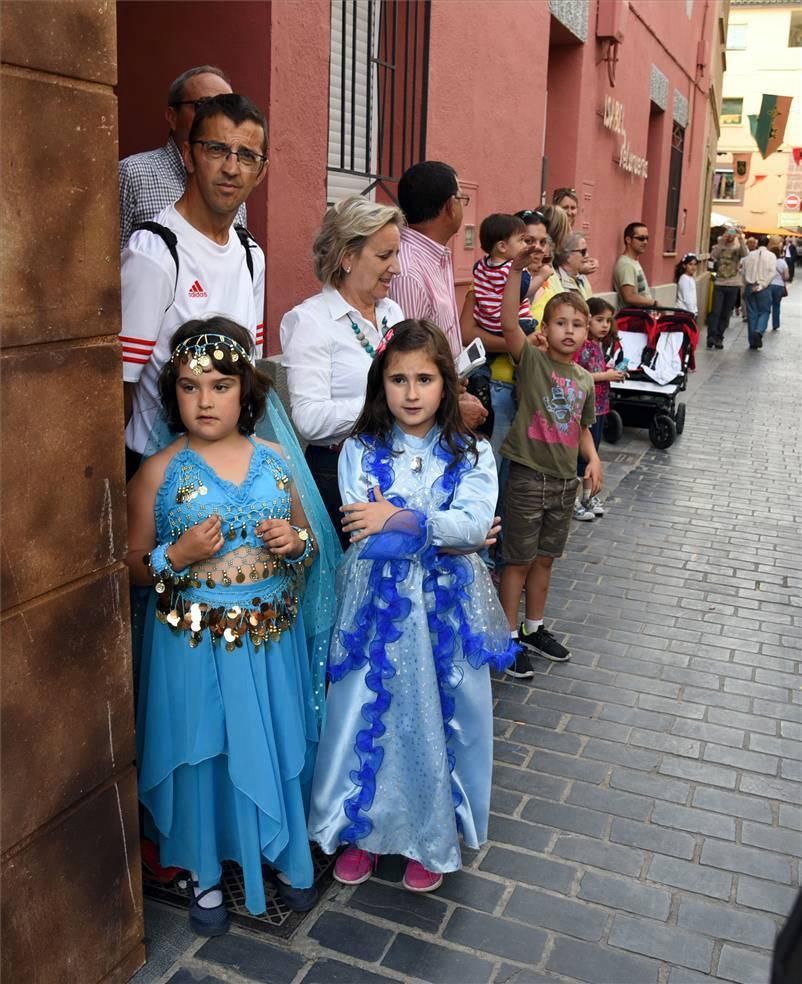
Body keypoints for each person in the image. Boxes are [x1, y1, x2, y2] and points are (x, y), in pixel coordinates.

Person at [126, 317, 338, 936]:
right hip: (193, 643)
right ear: (173, 396)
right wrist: (176, 555)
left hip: (270, 638)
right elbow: (131, 568)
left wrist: (291, 543)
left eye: (219, 385)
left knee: (270, 738)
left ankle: (281, 853)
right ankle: (206, 870)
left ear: (246, 390)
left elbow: (309, 546)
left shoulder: (274, 458)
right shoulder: (159, 470)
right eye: (190, 387)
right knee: (204, 749)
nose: (204, 400)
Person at [307, 319, 516, 893]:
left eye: (425, 378)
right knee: (370, 717)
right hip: (379, 607)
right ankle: (362, 832)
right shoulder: (359, 449)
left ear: (447, 383)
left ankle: (431, 835)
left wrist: (401, 520)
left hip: (445, 613)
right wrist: (445, 534)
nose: (412, 392)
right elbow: (362, 530)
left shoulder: (471, 451)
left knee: (440, 721)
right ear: (382, 384)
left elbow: (473, 523)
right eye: (398, 379)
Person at [121, 94, 268, 474]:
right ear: (188, 156)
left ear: (260, 172)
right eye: (217, 149)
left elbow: (246, 375)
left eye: (247, 156)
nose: (231, 168)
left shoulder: (252, 255)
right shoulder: (154, 253)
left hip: (232, 467)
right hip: (160, 471)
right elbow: (120, 385)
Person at [497, 252, 602, 677]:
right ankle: (504, 639)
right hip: (527, 478)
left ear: (587, 334)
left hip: (563, 485)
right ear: (544, 329)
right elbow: (507, 324)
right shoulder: (534, 362)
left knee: (544, 561)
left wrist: (593, 460)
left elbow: (581, 427)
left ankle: (532, 628)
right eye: (561, 323)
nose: (570, 331)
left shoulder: (582, 380)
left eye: (578, 325)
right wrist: (518, 272)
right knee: (516, 562)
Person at [280, 198, 406, 544]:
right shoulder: (309, 321)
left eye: (396, 255)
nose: (396, 268)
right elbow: (308, 419)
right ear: (346, 258)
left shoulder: (392, 313)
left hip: (394, 465)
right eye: (384, 256)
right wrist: (384, 405)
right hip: (337, 476)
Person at [390, 161, 486, 431]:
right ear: (449, 205)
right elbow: (408, 359)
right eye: (461, 198)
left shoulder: (436, 255)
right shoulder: (408, 270)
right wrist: (449, 407)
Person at [118, 66, 246, 249]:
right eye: (205, 106)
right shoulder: (133, 174)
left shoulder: (232, 183)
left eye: (227, 109)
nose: (218, 120)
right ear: (172, 117)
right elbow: (107, 262)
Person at [573, 298, 624, 522]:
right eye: (599, 320)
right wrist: (605, 376)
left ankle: (588, 496)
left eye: (608, 321)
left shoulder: (598, 344)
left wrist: (611, 371)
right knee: (580, 458)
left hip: (600, 408)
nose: (605, 325)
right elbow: (578, 375)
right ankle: (574, 500)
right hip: (585, 409)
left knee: (593, 453)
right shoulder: (582, 346)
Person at [706, 227, 746, 348]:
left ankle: (719, 337)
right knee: (715, 312)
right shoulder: (720, 245)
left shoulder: (738, 247)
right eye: (729, 234)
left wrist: (741, 238)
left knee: (725, 313)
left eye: (732, 234)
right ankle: (711, 337)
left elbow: (745, 253)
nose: (730, 236)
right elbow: (713, 256)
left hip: (733, 284)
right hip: (719, 283)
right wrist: (722, 242)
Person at [551, 187, 599, 276]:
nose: (569, 212)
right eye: (565, 208)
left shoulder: (574, 234)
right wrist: (580, 268)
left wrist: (591, 262)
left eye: (573, 208)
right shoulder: (553, 232)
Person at [742, 236, 778, 349]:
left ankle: (752, 341)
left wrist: (746, 285)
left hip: (750, 285)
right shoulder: (772, 256)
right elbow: (772, 273)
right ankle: (759, 330)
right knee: (764, 311)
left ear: (758, 243)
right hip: (763, 287)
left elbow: (743, 272)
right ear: (768, 244)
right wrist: (762, 285)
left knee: (752, 313)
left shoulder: (749, 255)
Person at [613, 222, 656, 309]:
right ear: (628, 240)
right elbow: (629, 297)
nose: (645, 242)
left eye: (647, 238)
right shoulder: (626, 264)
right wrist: (654, 303)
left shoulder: (633, 261)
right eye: (641, 238)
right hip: (634, 318)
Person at [553, 232, 593, 299]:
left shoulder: (581, 278)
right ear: (568, 255)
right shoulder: (557, 282)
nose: (587, 255)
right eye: (583, 252)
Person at [768, 236, 790, 331]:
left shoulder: (768, 261)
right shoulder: (783, 263)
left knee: (766, 306)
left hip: (768, 285)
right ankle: (775, 324)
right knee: (776, 306)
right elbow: (786, 277)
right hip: (779, 287)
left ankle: (763, 322)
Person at [674, 253, 699, 318]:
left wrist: (695, 310)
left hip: (690, 312)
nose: (693, 267)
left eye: (695, 264)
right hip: (684, 312)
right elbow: (687, 298)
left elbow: (693, 297)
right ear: (684, 266)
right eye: (690, 264)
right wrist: (692, 312)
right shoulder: (684, 279)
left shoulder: (691, 278)